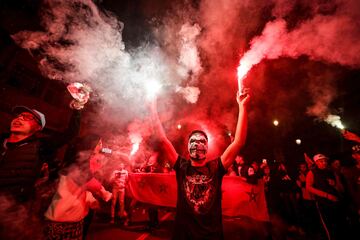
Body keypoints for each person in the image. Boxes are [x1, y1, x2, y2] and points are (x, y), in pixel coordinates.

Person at [151, 90, 250, 240]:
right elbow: (162, 139)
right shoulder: (181, 166)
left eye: (201, 141)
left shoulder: (216, 167)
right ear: (188, 147)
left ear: (207, 147)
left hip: (211, 235)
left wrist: (243, 107)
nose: (197, 143)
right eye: (193, 141)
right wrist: (152, 107)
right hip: (183, 235)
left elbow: (239, 142)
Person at [0, 83, 89, 239]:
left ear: (37, 127)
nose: (19, 119)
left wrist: (78, 106)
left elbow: (70, 133)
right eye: (19, 116)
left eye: (27, 118)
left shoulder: (41, 146)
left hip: (14, 218)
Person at [44, 134, 112, 240]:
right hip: (66, 218)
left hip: (67, 216)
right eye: (99, 143)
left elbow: (81, 189)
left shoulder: (75, 164)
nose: (101, 146)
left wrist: (91, 200)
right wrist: (104, 193)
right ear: (90, 145)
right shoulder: (79, 166)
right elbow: (91, 184)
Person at [306, 153, 346, 240]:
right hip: (323, 203)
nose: (324, 163)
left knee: (340, 225)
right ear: (316, 162)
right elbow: (308, 187)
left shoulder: (331, 172)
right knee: (329, 226)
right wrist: (326, 195)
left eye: (325, 161)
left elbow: (341, 189)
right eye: (321, 161)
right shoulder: (312, 172)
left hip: (336, 201)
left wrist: (334, 184)